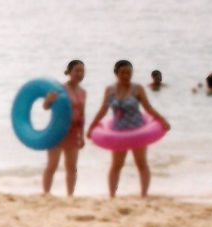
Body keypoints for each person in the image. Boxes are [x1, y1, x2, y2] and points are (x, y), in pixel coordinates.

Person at [87, 58, 167, 197]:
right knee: (116, 165)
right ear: (116, 73)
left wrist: (162, 120)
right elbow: (103, 110)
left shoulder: (137, 89)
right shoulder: (110, 90)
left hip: (138, 130)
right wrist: (91, 127)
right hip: (118, 132)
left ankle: (144, 195)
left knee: (141, 163)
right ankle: (112, 196)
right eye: (123, 72)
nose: (126, 75)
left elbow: (148, 108)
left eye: (129, 72)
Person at [39, 60, 86, 196]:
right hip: (57, 131)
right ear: (69, 72)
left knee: (71, 168)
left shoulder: (83, 92)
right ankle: (46, 193)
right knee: (52, 165)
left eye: (82, 71)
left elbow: (82, 115)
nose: (79, 74)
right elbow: (45, 107)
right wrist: (49, 100)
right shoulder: (59, 89)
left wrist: (81, 136)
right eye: (76, 70)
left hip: (73, 133)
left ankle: (70, 195)